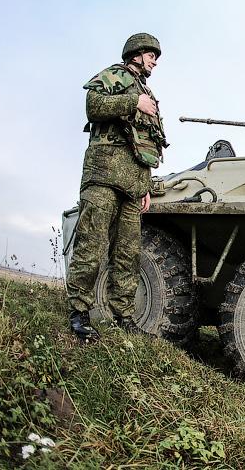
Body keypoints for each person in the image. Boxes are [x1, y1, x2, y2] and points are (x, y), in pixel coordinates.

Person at [66, 33, 169, 341]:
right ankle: (79, 312)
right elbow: (92, 105)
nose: (154, 61)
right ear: (136, 54)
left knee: (128, 253)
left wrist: (146, 185)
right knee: (92, 245)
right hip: (104, 175)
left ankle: (123, 316)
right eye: (151, 55)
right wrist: (131, 101)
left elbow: (147, 144)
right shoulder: (115, 75)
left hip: (133, 183)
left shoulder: (148, 93)